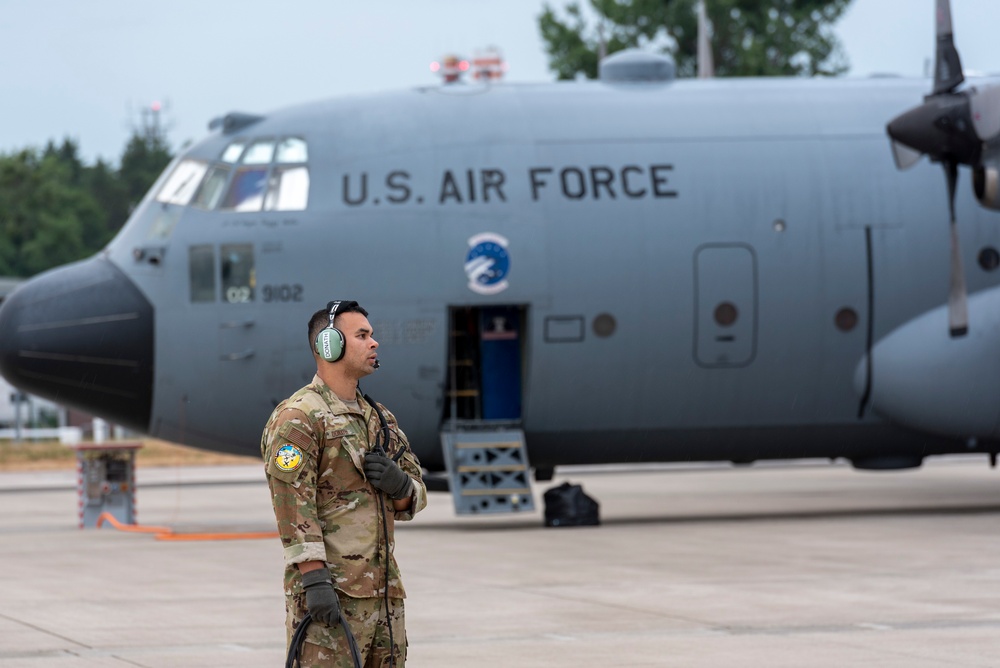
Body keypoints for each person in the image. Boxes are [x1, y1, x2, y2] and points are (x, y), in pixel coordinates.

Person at [261, 300, 427, 667]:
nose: (375, 343)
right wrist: (316, 582)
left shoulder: (379, 419)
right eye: (362, 335)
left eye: (372, 335)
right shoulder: (300, 418)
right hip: (331, 598)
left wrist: (401, 487)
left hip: (383, 598)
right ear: (329, 345)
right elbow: (292, 505)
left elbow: (416, 491)